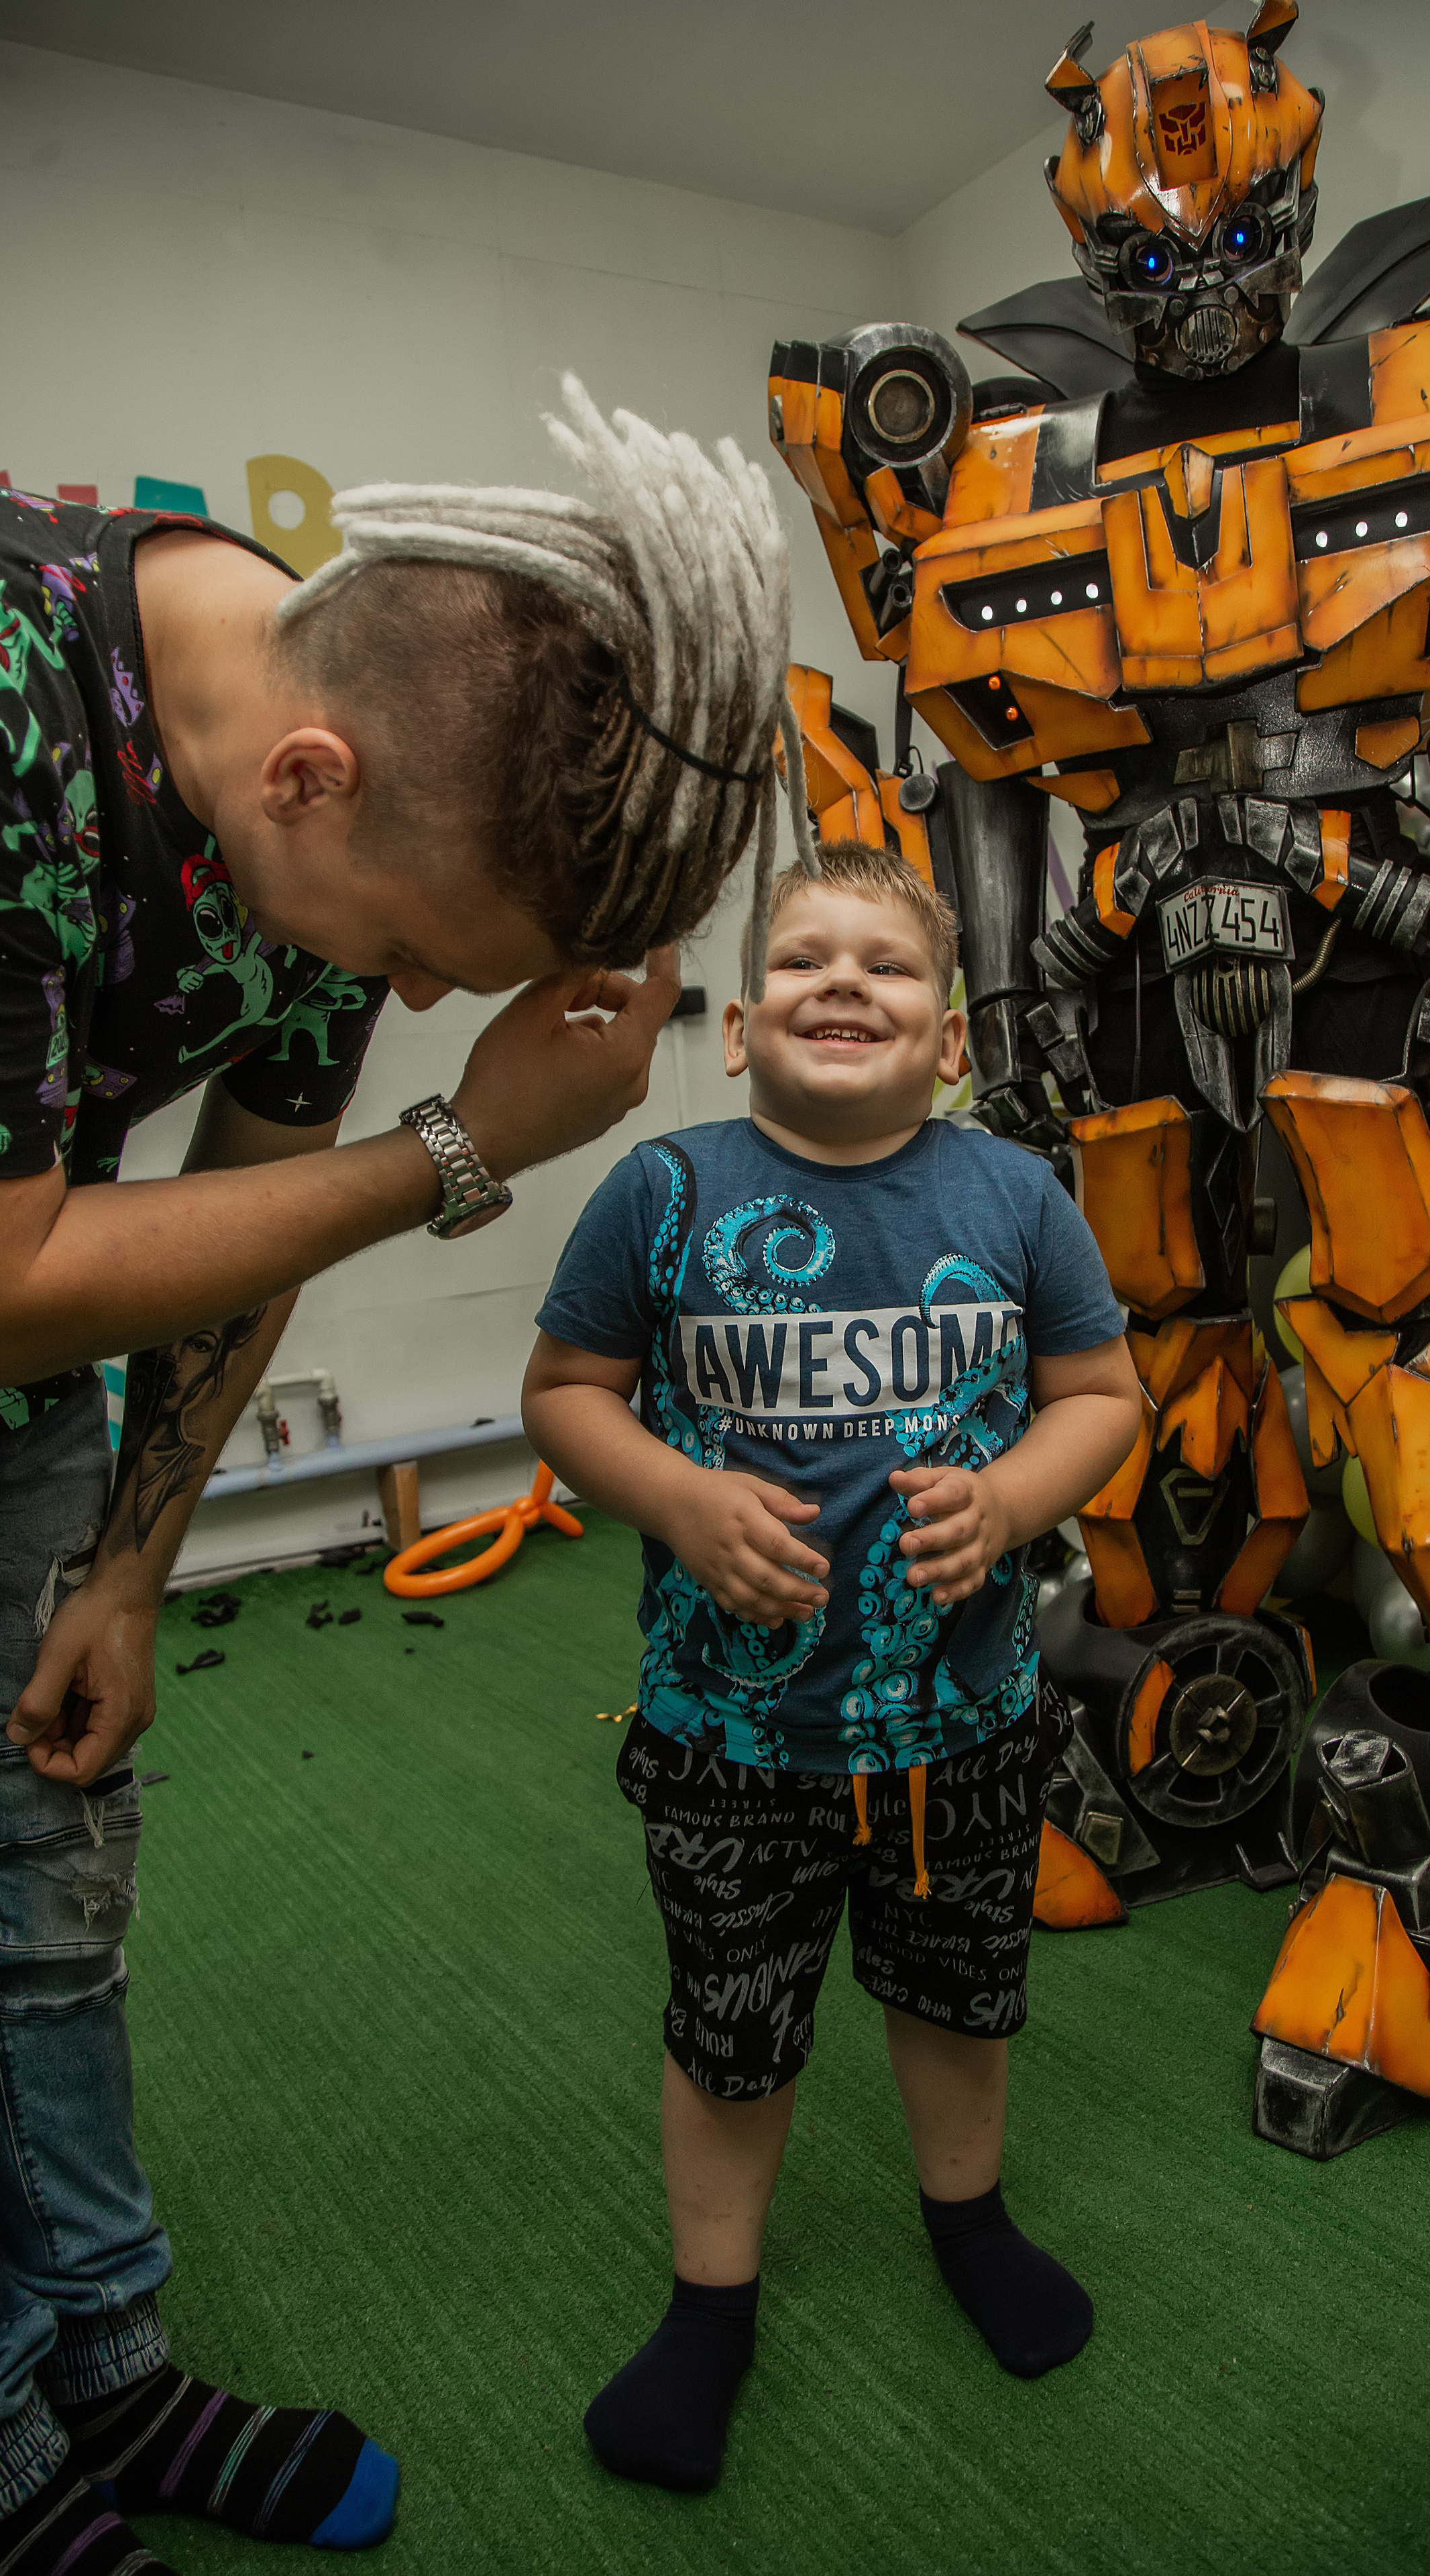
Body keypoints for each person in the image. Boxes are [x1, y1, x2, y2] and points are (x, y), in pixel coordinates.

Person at [0, 378, 803, 2576]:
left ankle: (103, 2362)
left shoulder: (313, 781)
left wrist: (135, 1560)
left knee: (47, 1895)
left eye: (436, 983)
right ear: (311, 775)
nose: (405, 992)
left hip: (23, 1414)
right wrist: (472, 1146)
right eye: (413, 956)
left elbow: (253, 1173)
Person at [521, 840, 1141, 2493]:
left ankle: (969, 2215)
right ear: (735, 1027)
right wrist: (671, 1489)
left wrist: (1012, 1498)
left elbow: (1101, 1397)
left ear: (950, 1039)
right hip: (731, 1736)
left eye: (885, 964)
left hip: (963, 1724)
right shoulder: (663, 1192)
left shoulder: (1012, 1194)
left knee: (957, 1992)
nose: (842, 982)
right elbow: (567, 1386)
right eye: (801, 959)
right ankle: (708, 2306)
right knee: (733, 2025)